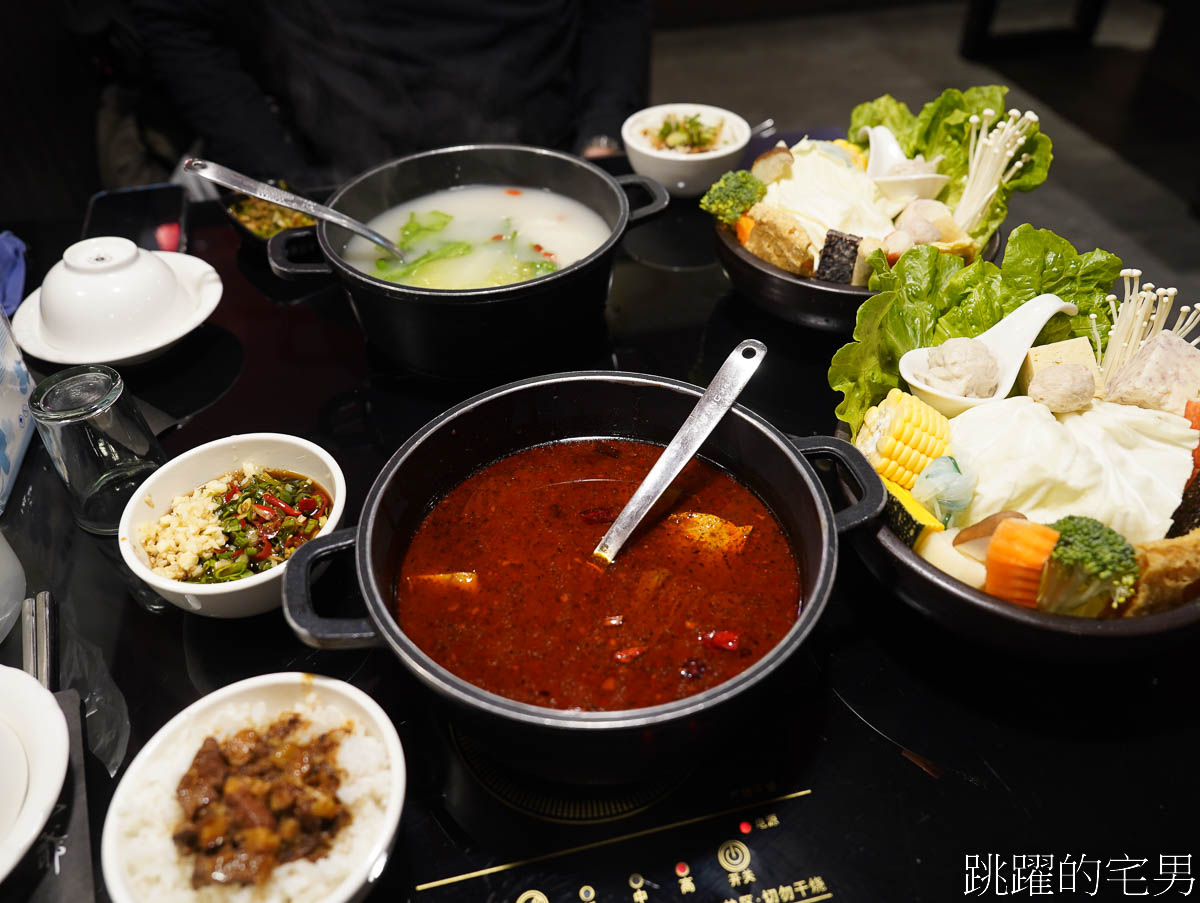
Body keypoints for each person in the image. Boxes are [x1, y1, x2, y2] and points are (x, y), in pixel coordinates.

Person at [130, 0, 652, 185]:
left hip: (552, 154)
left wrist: (605, 131)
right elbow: (176, 18)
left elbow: (615, 9)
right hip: (342, 178)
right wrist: (281, 178)